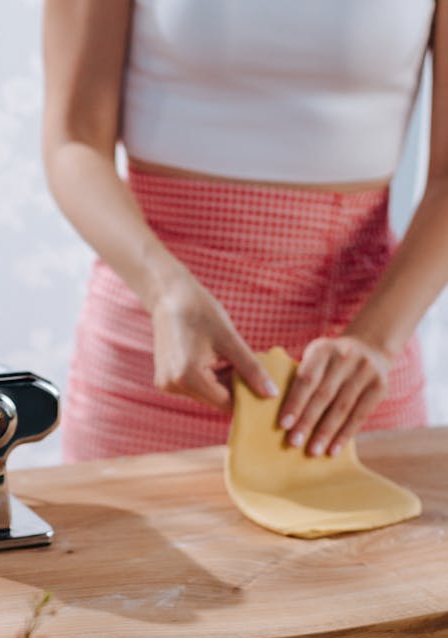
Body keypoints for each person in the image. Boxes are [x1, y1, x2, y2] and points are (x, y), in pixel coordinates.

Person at [42, 1, 448, 463]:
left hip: (347, 377)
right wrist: (162, 290)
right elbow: (73, 140)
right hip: (154, 353)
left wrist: (374, 341)